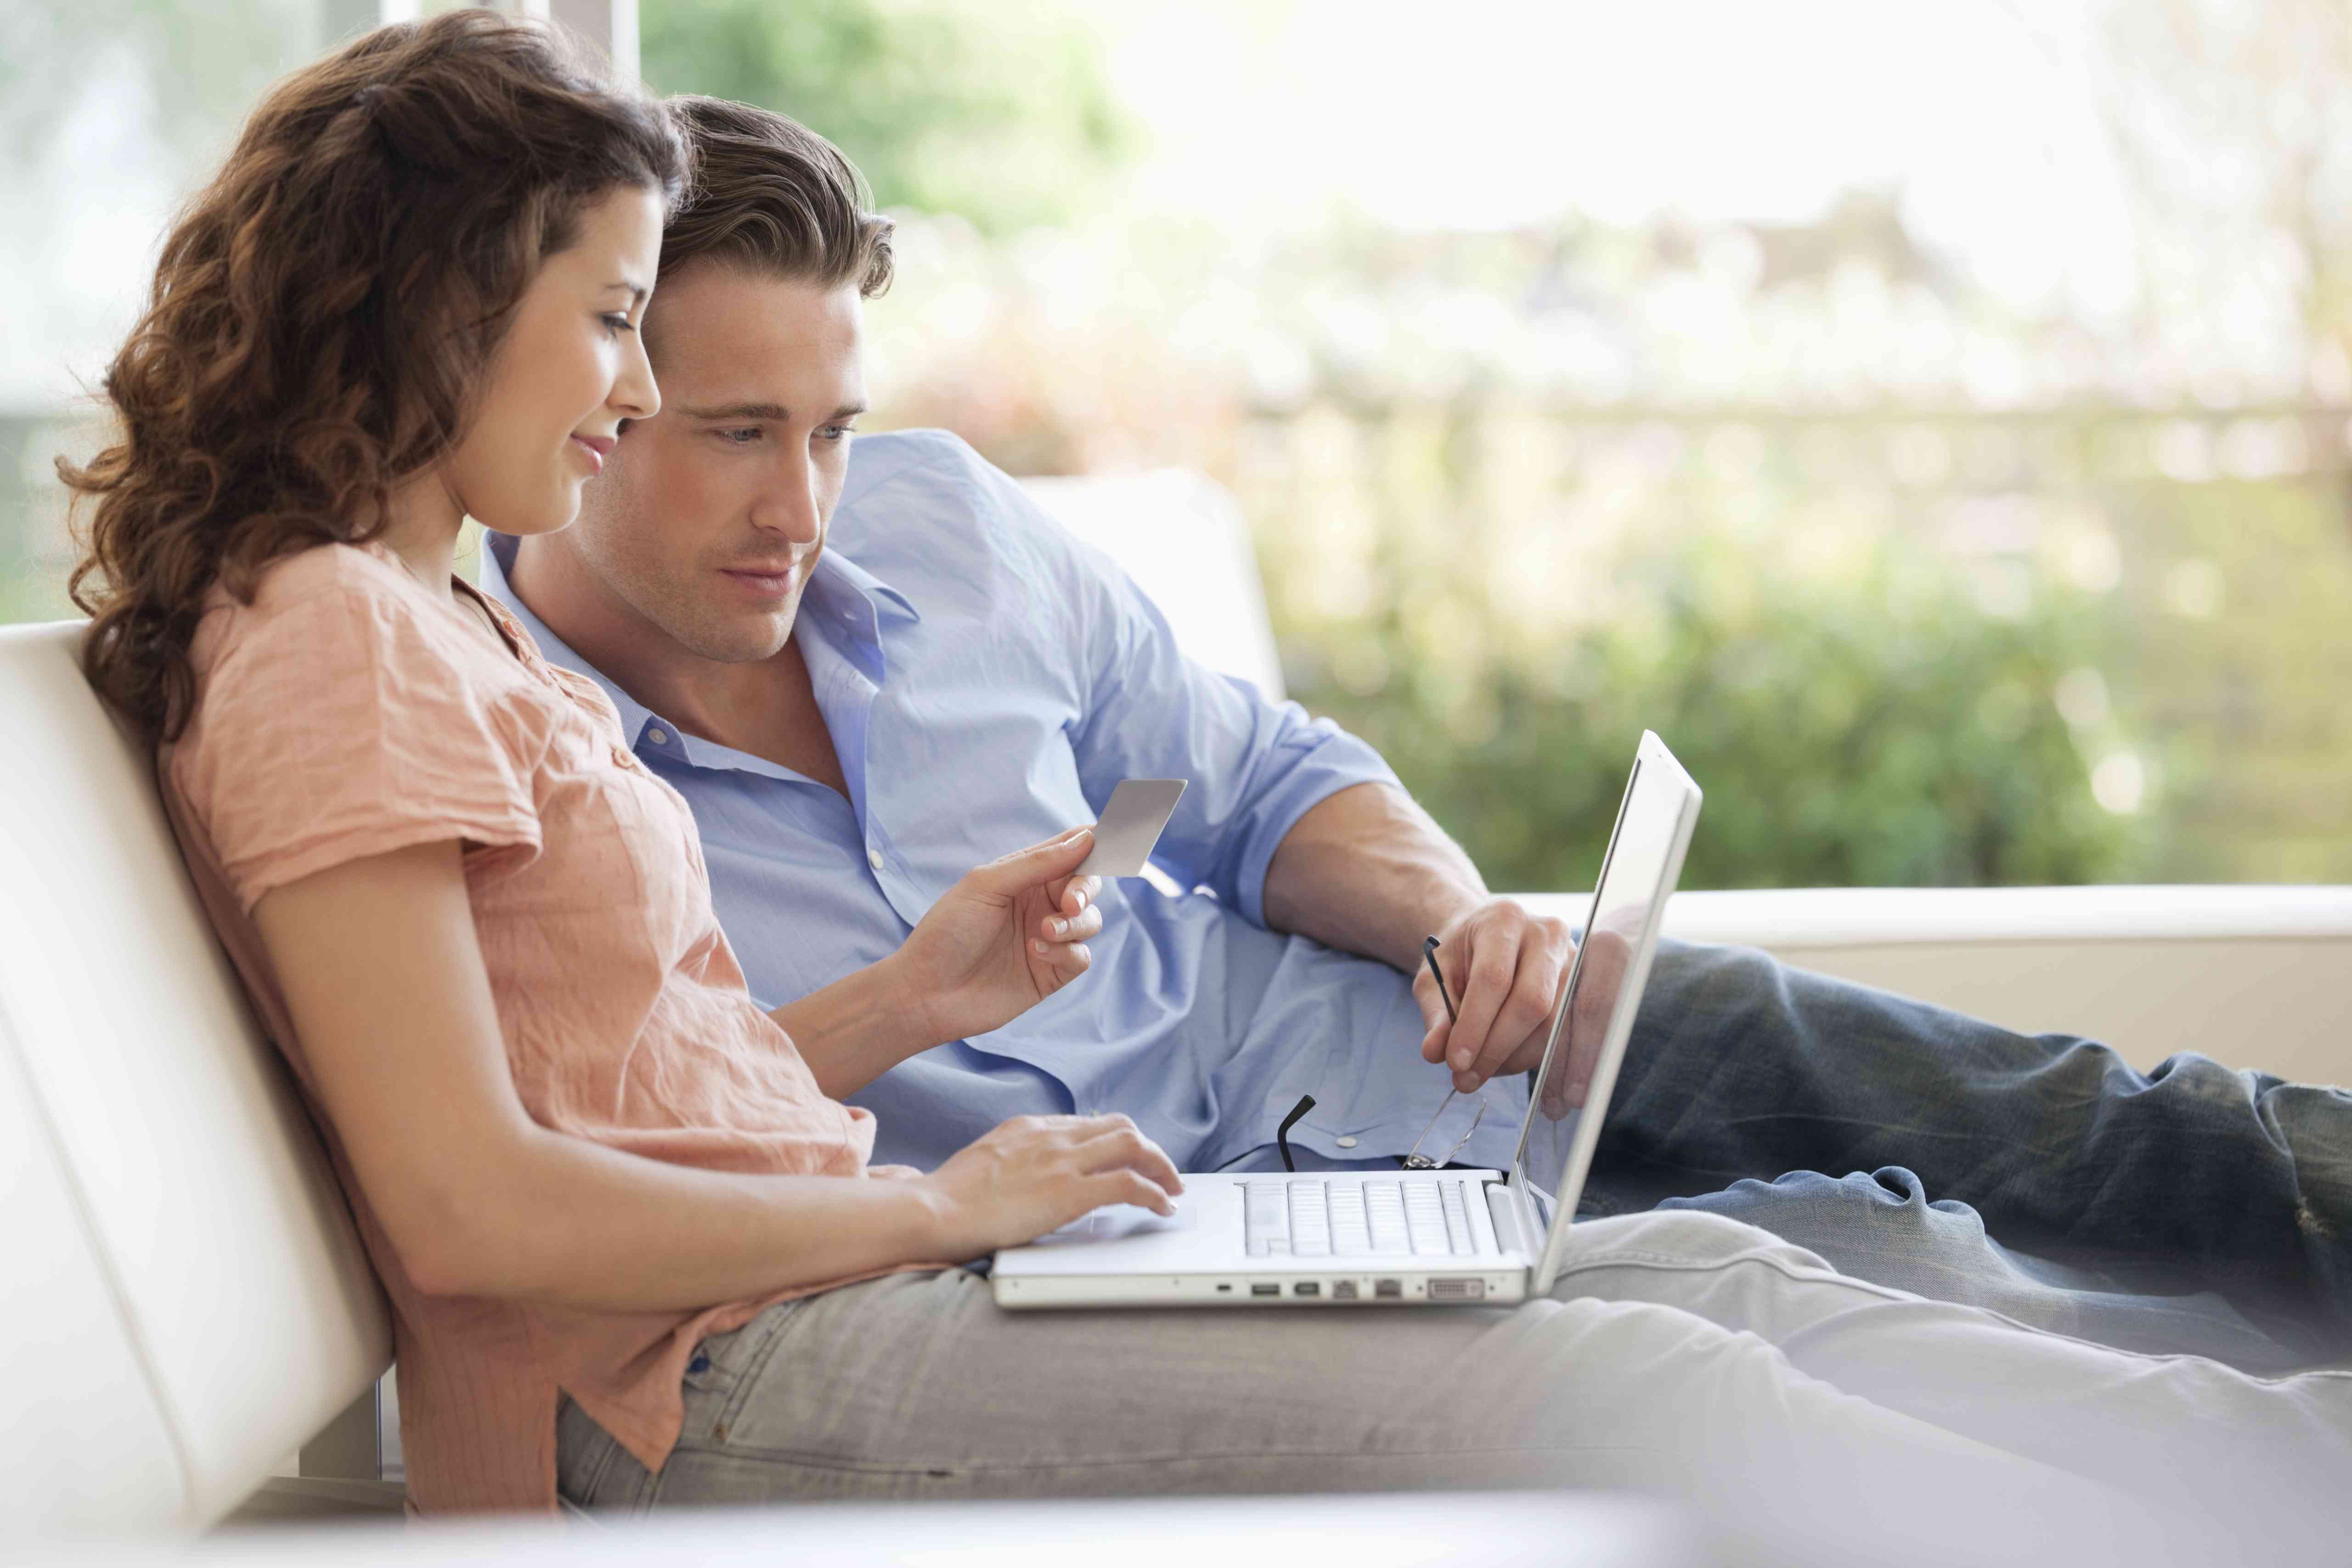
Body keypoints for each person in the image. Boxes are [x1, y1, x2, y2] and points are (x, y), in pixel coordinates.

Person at [60, 17, 2346, 1551]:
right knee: (1655, 1366)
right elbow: (474, 1216)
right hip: (697, 1378)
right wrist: (947, 1199)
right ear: (446, 309)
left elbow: (603, 1086)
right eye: (615, 327)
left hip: (787, 1288)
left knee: (1738, 1282)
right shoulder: (343, 644)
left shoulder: (399, 615)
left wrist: (914, 1007)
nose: (625, 393)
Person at [492, 94, 2352, 1376]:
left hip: (1411, 1038)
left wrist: (1455, 922)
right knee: (1937, 1280)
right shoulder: (519, 757)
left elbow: (1253, 775)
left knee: (2087, 1126)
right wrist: (909, 997)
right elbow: (628, 1147)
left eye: (828, 427)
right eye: (738, 432)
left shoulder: (941, 520)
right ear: (590, 396)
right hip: (1211, 1240)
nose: (804, 505)